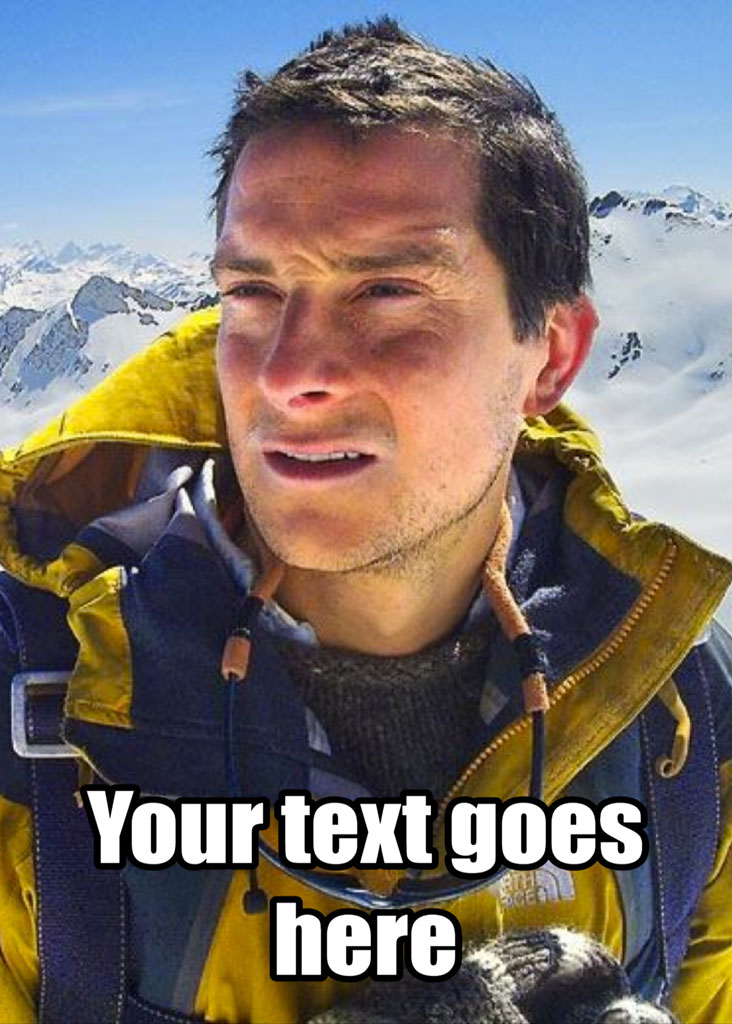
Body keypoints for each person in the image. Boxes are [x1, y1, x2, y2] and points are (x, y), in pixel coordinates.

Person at [0, 17, 730, 1024]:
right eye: (253, 292)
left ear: (552, 355)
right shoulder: (37, 671)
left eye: (388, 290)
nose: (291, 373)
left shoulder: (685, 707)